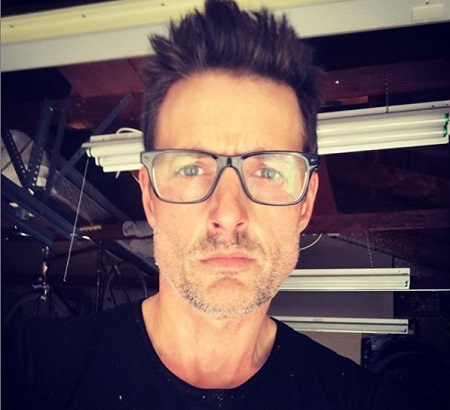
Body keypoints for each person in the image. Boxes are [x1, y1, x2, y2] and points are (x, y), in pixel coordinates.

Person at [3, 1, 405, 409]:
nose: (228, 214)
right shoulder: (28, 371)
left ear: (305, 204)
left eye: (267, 171)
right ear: (150, 197)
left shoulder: (361, 401)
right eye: (191, 169)